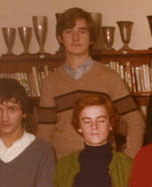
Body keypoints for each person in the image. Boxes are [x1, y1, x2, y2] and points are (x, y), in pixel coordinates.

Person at [37, 7, 144, 159]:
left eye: (82, 31)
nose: (75, 38)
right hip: (62, 166)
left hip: (103, 164)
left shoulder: (109, 78)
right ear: (60, 38)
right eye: (69, 32)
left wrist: (129, 160)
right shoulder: (50, 82)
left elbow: (136, 121)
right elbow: (44, 132)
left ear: (91, 38)